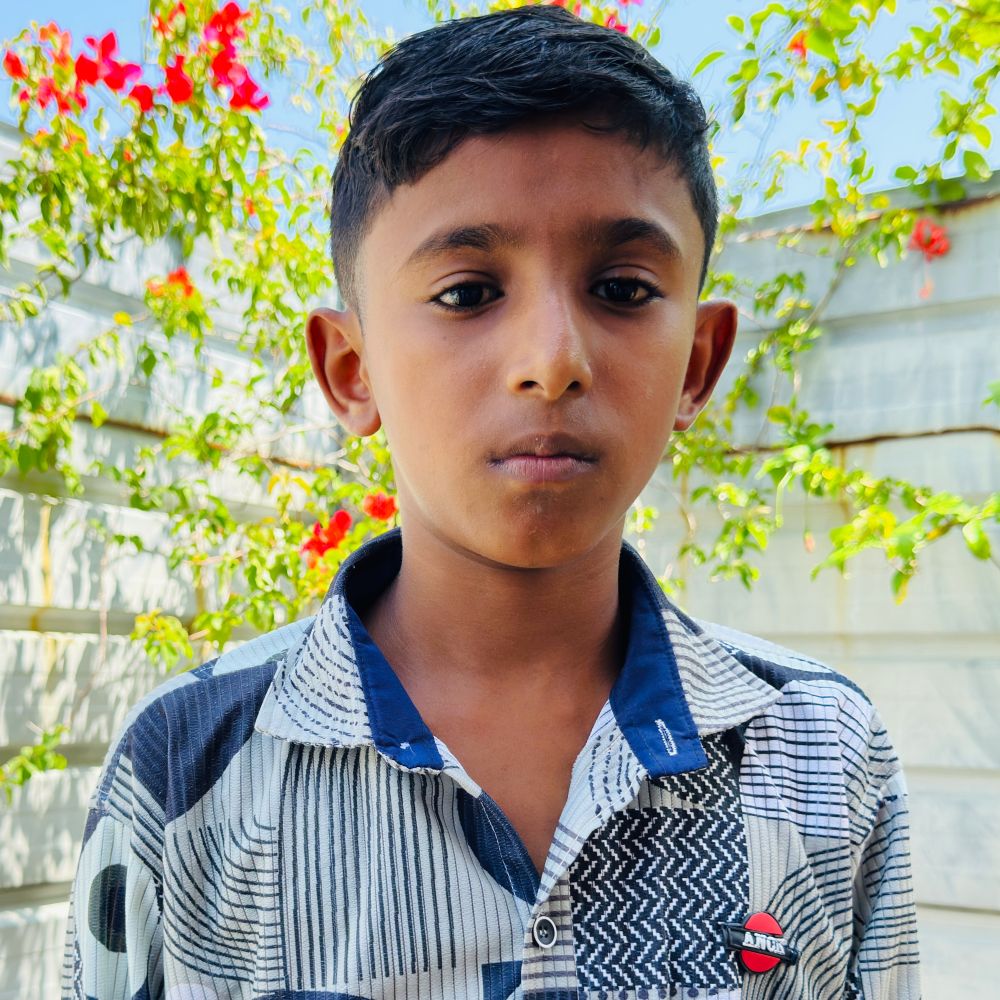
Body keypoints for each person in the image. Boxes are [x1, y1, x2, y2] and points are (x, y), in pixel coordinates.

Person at [62, 6, 921, 999]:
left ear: (699, 362)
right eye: (468, 293)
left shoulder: (821, 751)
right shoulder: (186, 767)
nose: (552, 360)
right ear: (350, 370)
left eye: (623, 288)